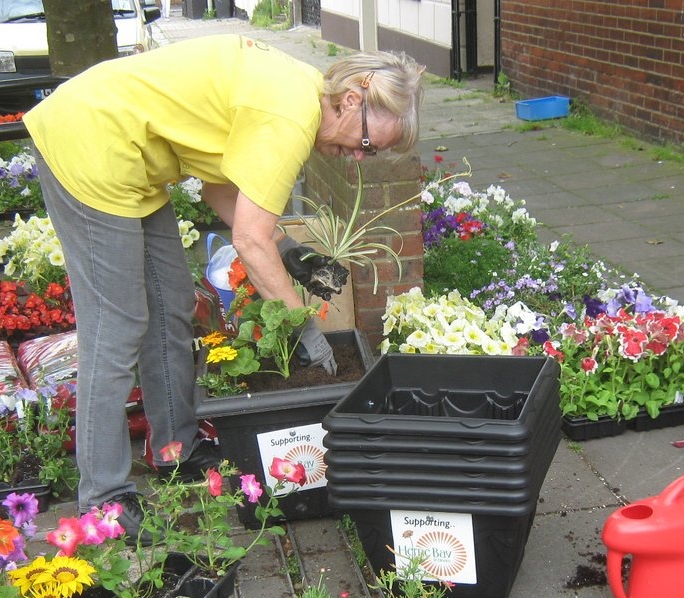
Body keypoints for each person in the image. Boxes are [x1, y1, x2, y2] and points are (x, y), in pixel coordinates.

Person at [23, 35, 424, 541]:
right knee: (116, 327)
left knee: (170, 302)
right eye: (368, 144)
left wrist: (288, 252)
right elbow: (248, 242)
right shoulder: (290, 117)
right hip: (90, 145)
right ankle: (103, 501)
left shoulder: (298, 91)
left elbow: (219, 189)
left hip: (130, 157)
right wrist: (305, 329)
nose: (360, 159)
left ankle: (176, 449)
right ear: (350, 101)